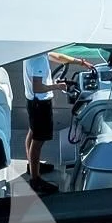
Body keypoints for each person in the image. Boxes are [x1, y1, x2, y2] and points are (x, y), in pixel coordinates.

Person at [21, 49, 95, 191]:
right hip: (40, 104)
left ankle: (32, 166)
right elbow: (38, 87)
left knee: (33, 131)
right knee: (38, 141)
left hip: (32, 102)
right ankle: (35, 180)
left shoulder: (32, 53)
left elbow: (56, 56)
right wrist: (58, 86)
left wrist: (79, 62)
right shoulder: (39, 61)